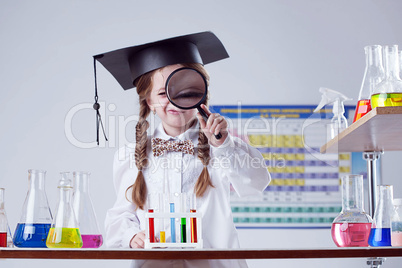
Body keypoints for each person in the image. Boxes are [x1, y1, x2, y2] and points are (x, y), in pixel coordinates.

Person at [96, 31, 271, 268]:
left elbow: (256, 183)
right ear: (148, 101)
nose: (174, 101)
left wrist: (224, 145)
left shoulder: (221, 147)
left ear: (201, 96)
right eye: (163, 93)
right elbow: (119, 217)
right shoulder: (130, 155)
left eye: (186, 92)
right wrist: (131, 235)